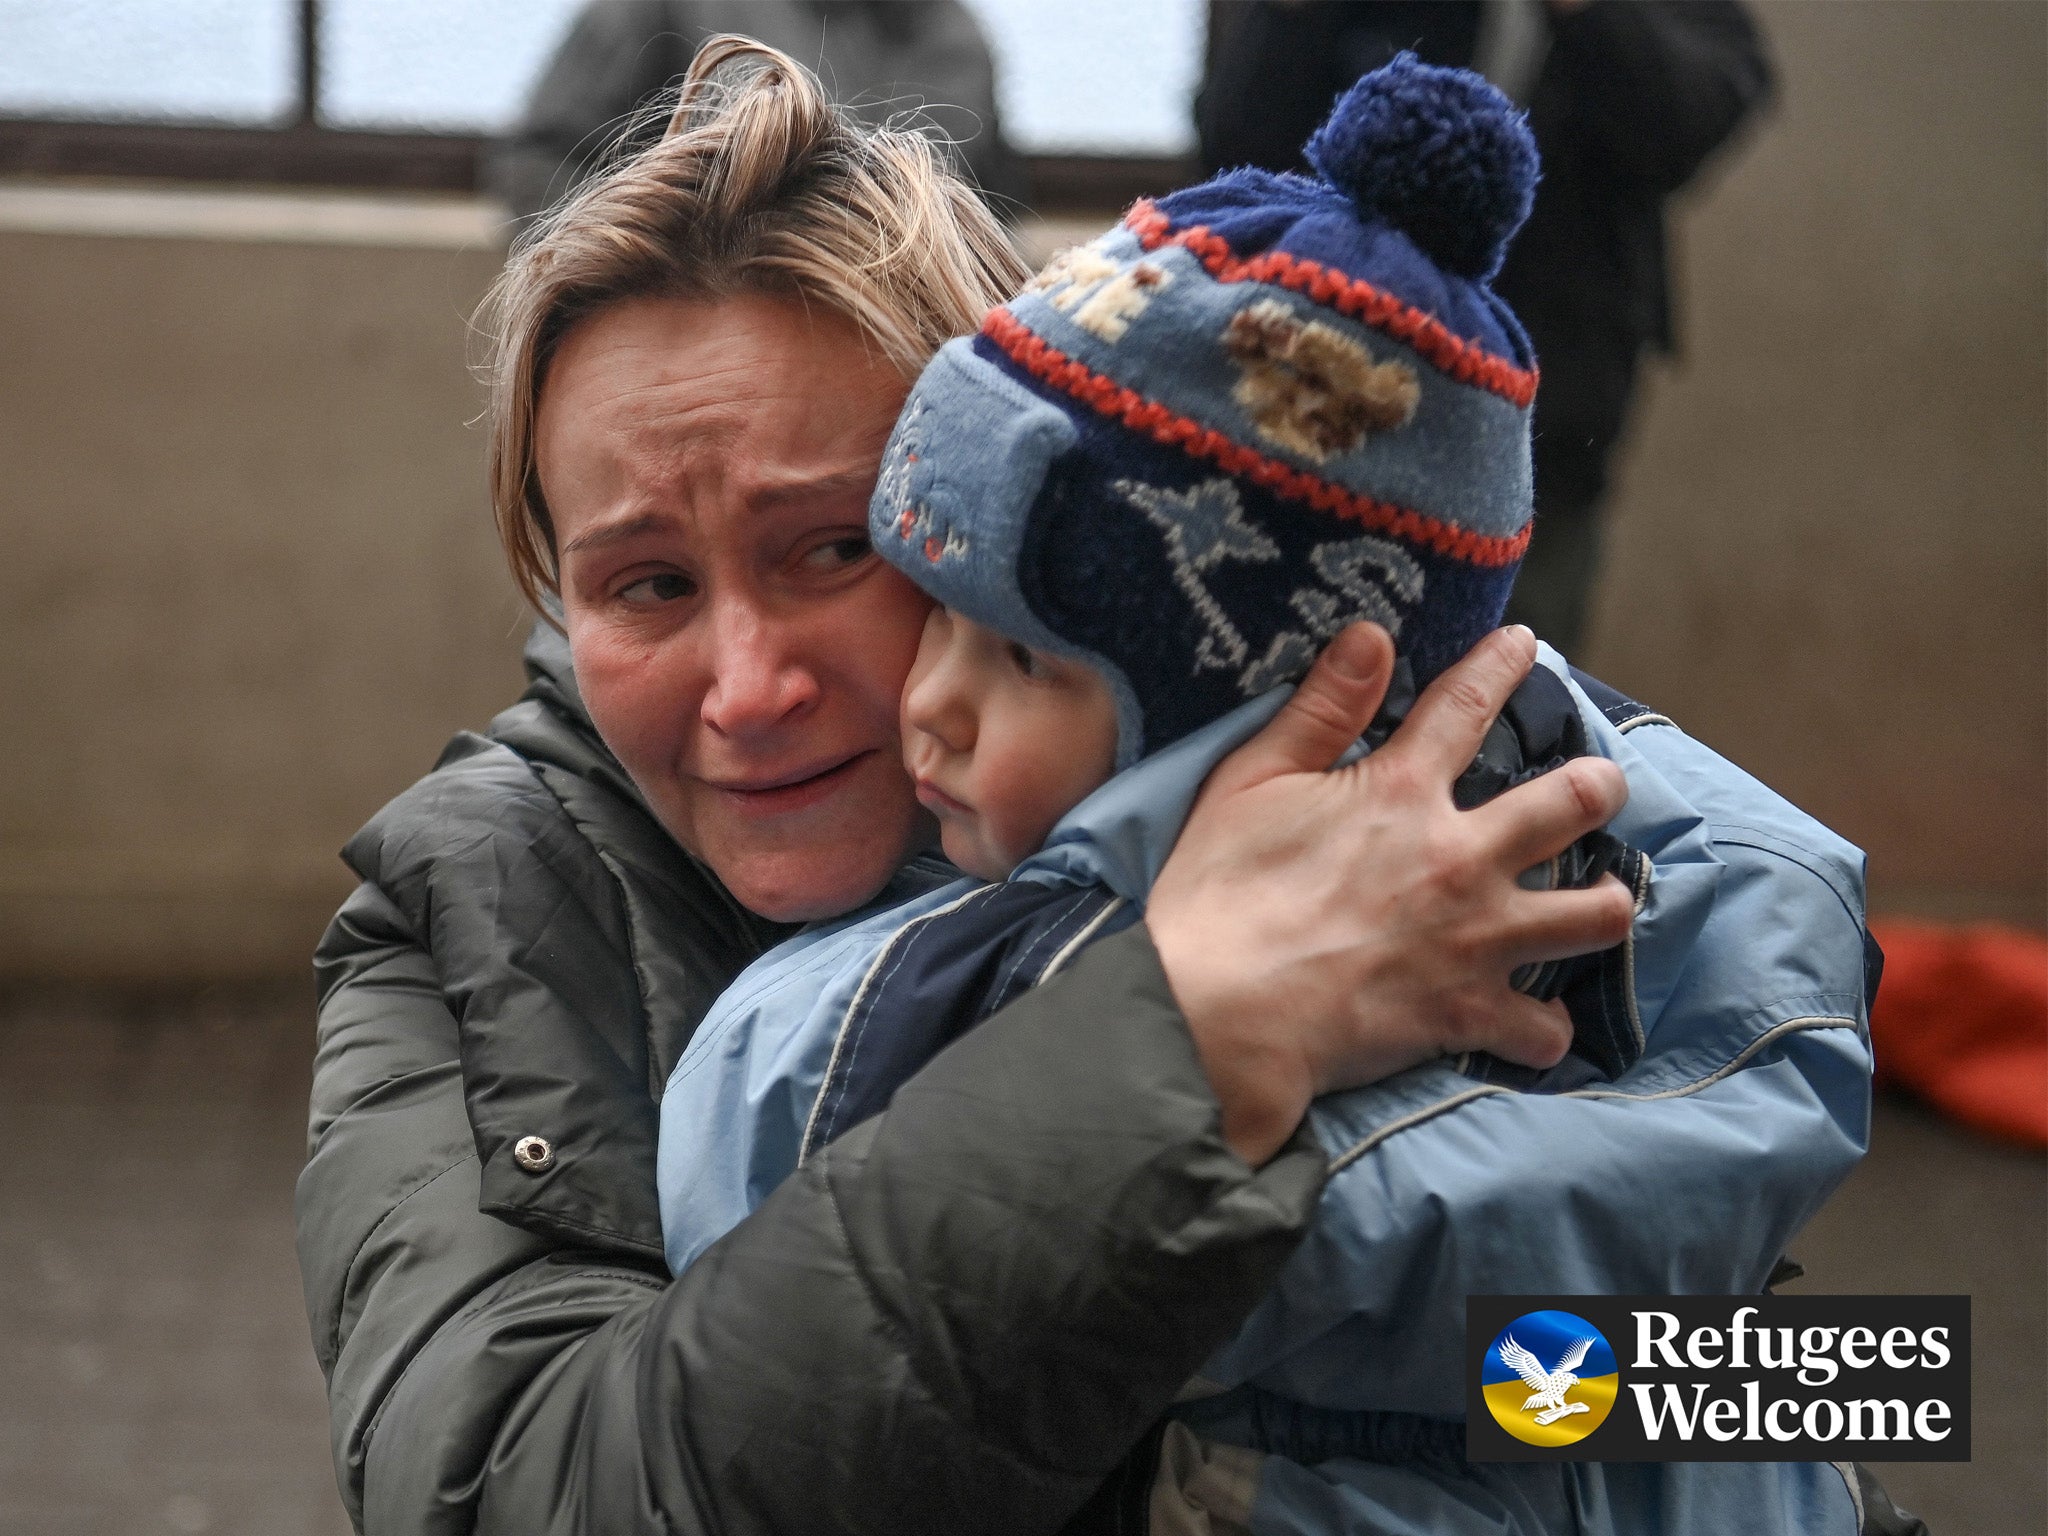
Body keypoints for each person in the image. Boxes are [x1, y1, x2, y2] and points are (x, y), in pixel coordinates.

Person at [296, 36, 1647, 1536]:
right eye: (647, 586)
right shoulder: (471, 921)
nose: (748, 691)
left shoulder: (1461, 814)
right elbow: (516, 1492)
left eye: (835, 549)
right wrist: (1181, 1056)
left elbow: (1756, 1386)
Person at [654, 59, 1876, 1535]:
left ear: (1270, 713)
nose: (929, 701)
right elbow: (1799, 1385)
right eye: (933, 611)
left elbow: (754, 1146)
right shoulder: (1654, 912)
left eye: (1027, 658)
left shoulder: (1013, 989)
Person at [1196, 0, 1774, 654]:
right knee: (1275, 660)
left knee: (1513, 685)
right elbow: (1237, 142)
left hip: (1550, 411)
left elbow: (1691, 124)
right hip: (1317, 392)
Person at [489, 0, 1026, 234]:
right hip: (702, 345)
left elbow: (997, 216)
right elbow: (542, 164)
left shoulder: (959, 37)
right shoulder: (668, 6)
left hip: (896, 362)